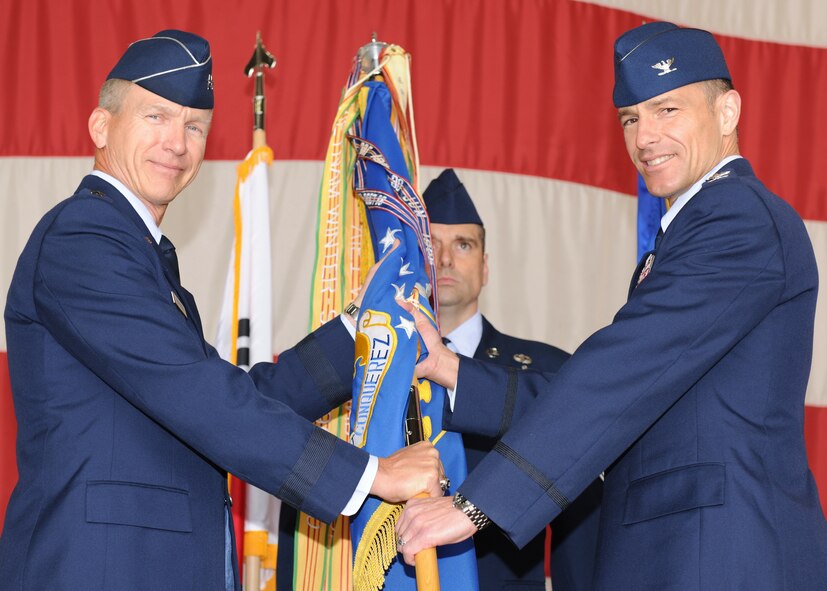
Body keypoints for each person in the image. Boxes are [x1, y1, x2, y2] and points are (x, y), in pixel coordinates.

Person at [0, 30, 442, 591]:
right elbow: (197, 394)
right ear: (100, 126)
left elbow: (228, 393)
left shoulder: (139, 251)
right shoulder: (84, 237)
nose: (177, 143)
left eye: (194, 126)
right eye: (156, 117)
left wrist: (360, 329)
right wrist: (372, 475)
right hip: (102, 568)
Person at [396, 21, 827, 590]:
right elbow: (616, 389)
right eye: (631, 118)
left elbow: (620, 375)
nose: (644, 137)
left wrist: (474, 505)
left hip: (718, 557)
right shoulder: (691, 234)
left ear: (727, 113)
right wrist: (452, 370)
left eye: (667, 109)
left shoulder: (737, 219)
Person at [423, 168, 601, 591]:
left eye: (462, 245)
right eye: (431, 244)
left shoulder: (547, 371)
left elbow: (580, 515)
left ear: (484, 267)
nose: (446, 259)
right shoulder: (373, 372)